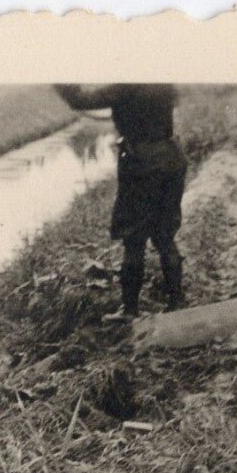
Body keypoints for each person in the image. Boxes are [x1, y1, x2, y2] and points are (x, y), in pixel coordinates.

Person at [53, 84, 187, 318]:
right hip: (171, 156)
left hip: (142, 163)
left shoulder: (126, 85)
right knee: (165, 235)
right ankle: (176, 304)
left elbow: (80, 100)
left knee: (133, 240)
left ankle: (130, 311)